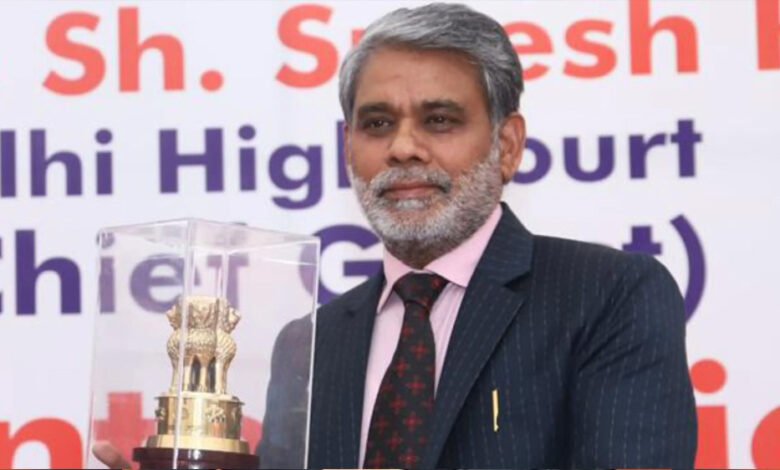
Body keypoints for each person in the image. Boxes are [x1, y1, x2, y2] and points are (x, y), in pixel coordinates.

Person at [95, 3, 697, 469]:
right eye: (378, 123)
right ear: (347, 146)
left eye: (440, 120)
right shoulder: (309, 344)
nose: (404, 147)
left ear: (507, 146)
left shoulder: (606, 296)